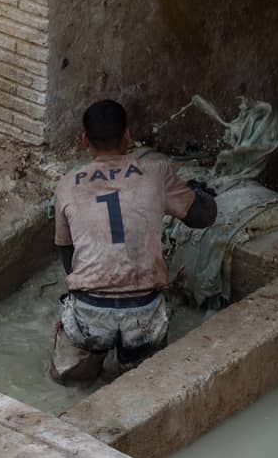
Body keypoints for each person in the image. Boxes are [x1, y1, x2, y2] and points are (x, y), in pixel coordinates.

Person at [50, 100, 217, 384]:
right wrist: (198, 193)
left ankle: (81, 370)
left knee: (67, 379)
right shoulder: (157, 173)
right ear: (128, 135)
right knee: (140, 379)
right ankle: (132, 363)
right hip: (143, 312)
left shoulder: (67, 183)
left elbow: (67, 251)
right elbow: (203, 217)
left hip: (90, 313)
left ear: (84, 139)